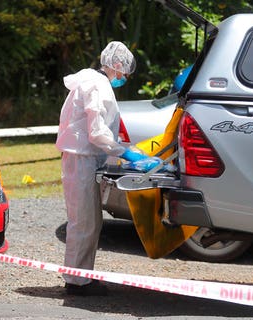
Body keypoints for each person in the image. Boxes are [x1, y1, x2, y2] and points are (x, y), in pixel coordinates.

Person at [55, 41, 157, 296]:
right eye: (124, 73)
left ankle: (81, 278)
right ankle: (77, 282)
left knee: (88, 221)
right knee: (84, 222)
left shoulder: (90, 81)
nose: (124, 78)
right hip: (83, 159)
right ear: (117, 66)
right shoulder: (97, 86)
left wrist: (122, 148)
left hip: (83, 159)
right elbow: (97, 132)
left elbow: (98, 129)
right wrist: (125, 152)